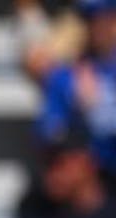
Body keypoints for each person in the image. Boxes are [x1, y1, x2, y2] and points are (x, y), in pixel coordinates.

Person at [37, 0, 116, 183]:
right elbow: (47, 133)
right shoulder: (66, 76)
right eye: (91, 21)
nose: (98, 28)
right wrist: (78, 112)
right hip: (92, 182)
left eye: (105, 19)